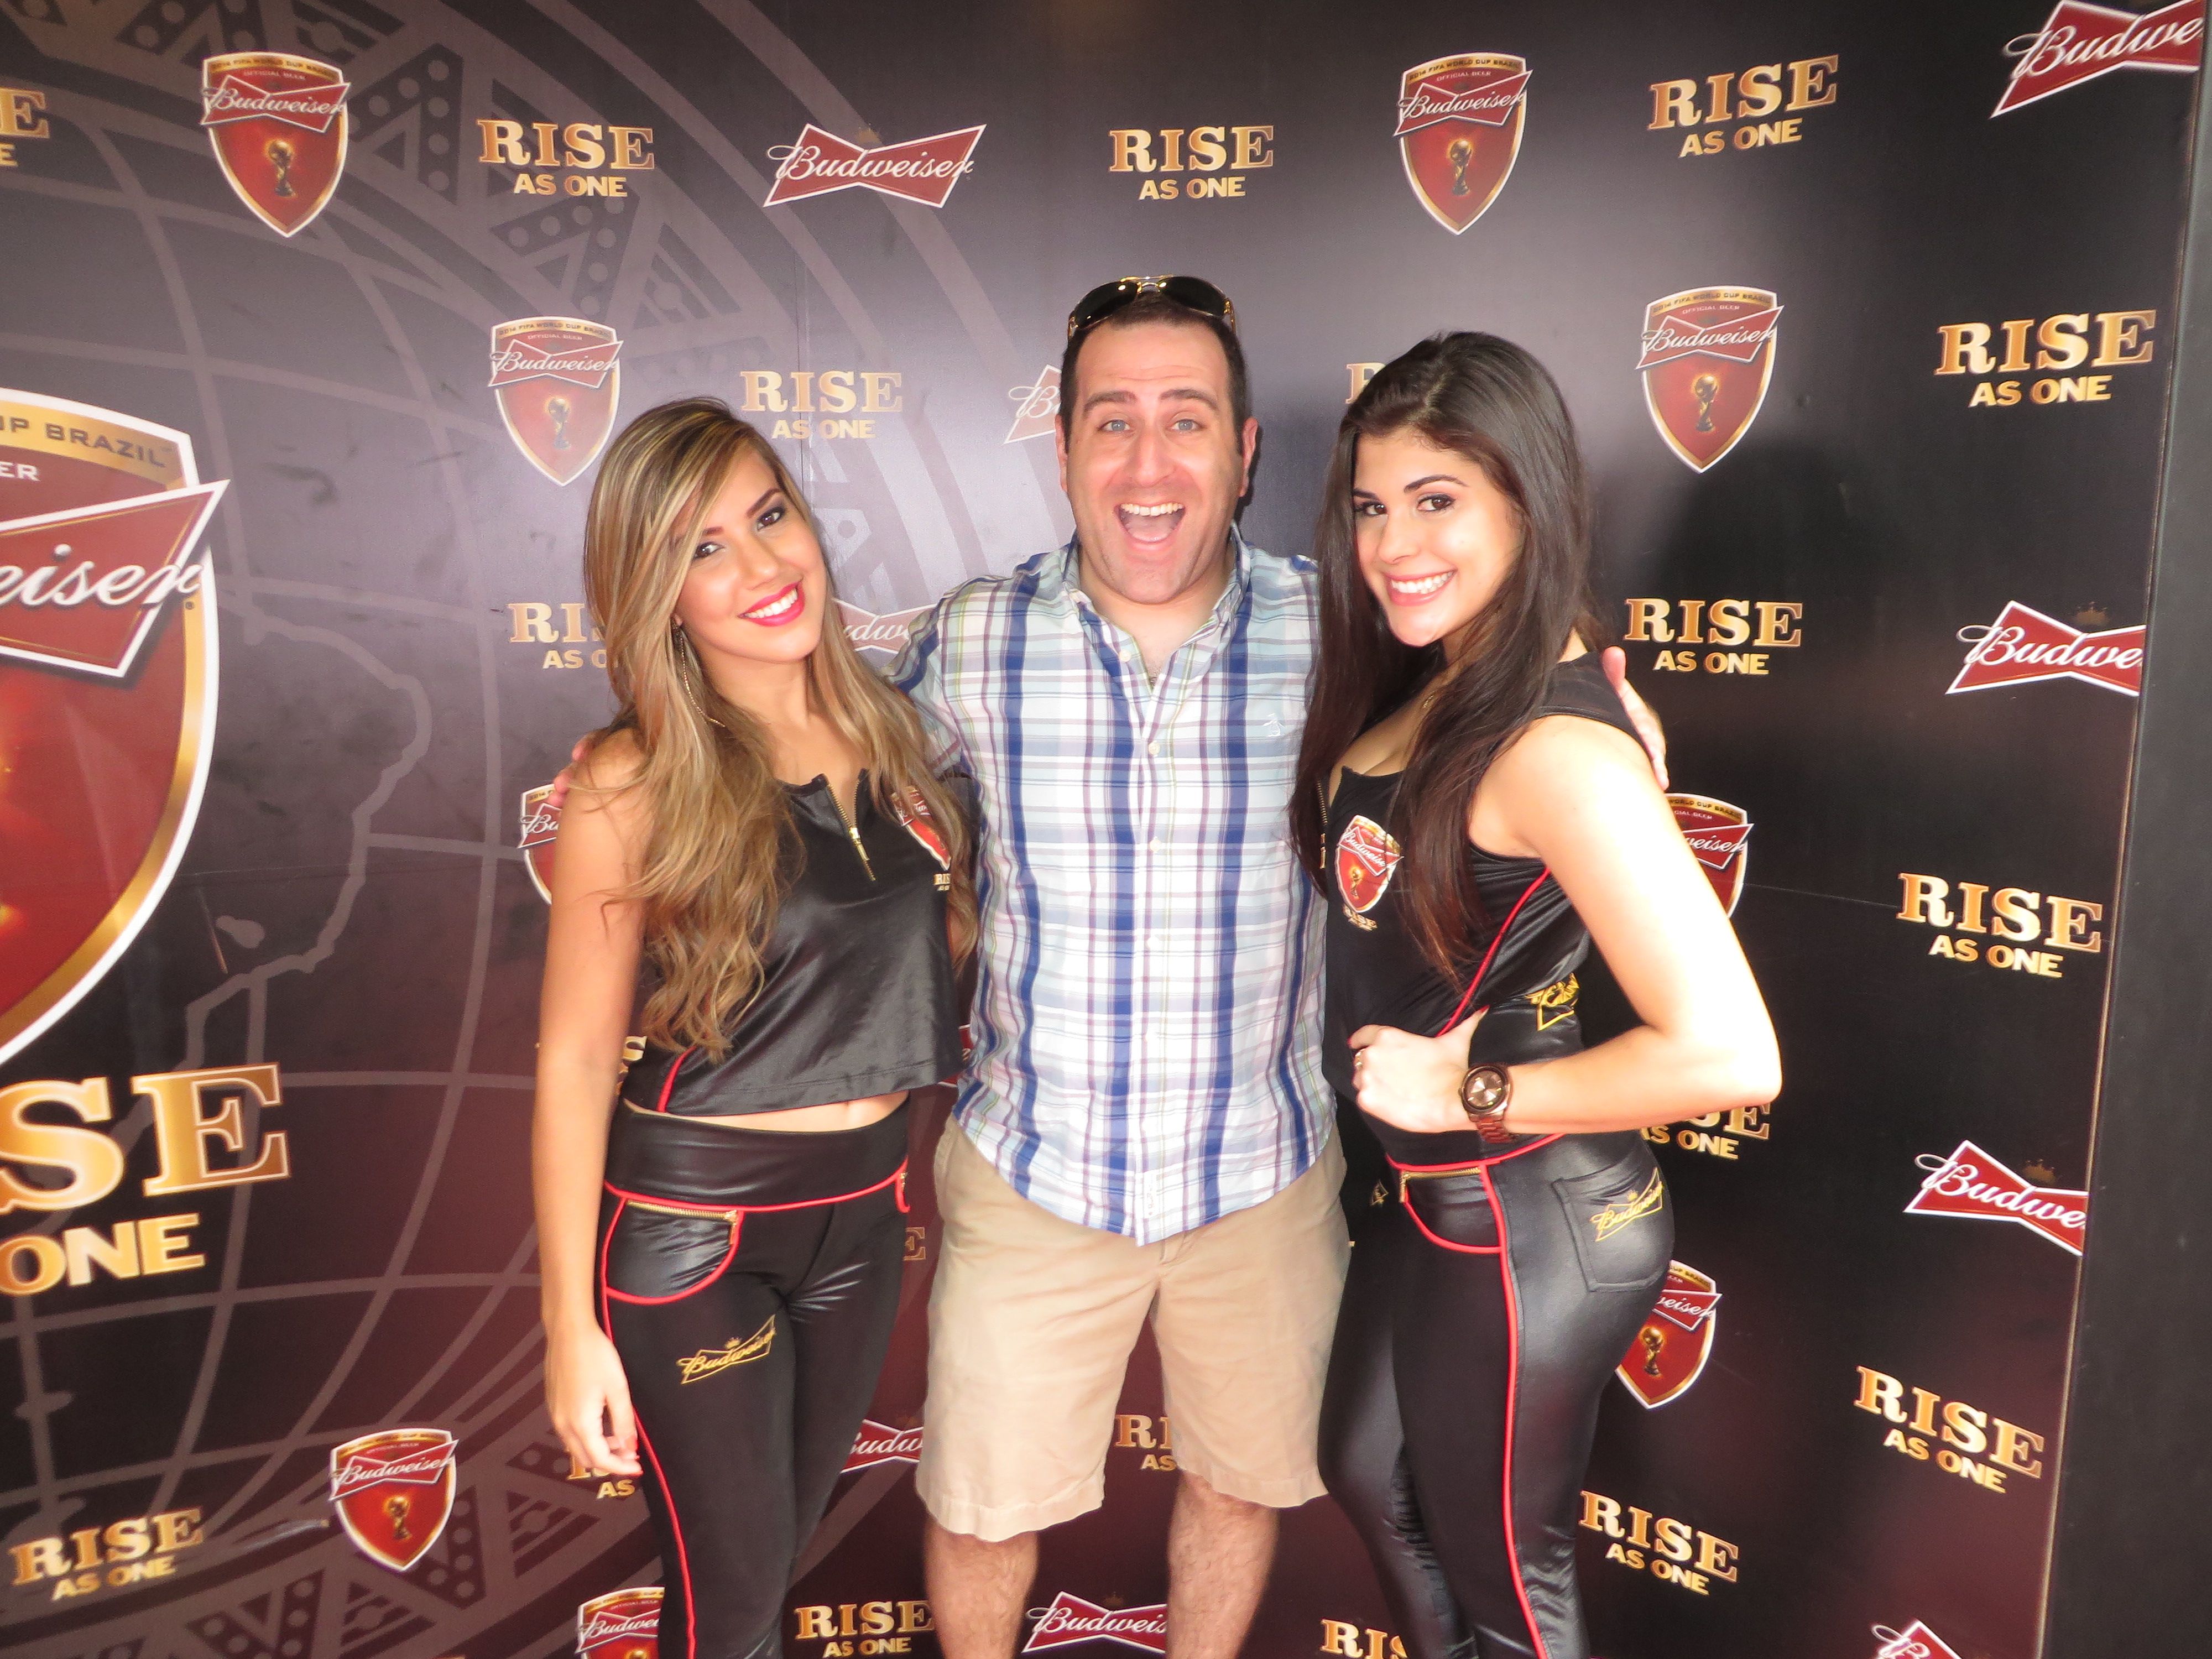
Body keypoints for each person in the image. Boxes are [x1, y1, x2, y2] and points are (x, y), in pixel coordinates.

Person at [891, 281, 1666, 1659]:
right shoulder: (967, 638)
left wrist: (1608, 716)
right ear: (1059, 449)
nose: (1147, 462)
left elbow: (1498, 708)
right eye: (1109, 421)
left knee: (1240, 1486)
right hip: (1032, 1163)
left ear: (1244, 451)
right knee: (979, 1511)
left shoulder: (1346, 635)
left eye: (1185, 420)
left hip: (1261, 1169)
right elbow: (827, 781)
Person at [1295, 333, 1781, 1659]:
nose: (1392, 544)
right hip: (1436, 1204)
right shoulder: (1463, 684)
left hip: (1531, 1215)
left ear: (1529, 501)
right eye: (1370, 506)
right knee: (1370, 1478)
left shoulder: (1556, 744)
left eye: (1435, 500)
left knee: (1512, 1581)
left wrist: (1471, 1090)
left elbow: (1729, 1054)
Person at [532, 398, 975, 1659]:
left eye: (768, 515)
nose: (762, 565)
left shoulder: (895, 736)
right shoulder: (630, 778)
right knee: (728, 1611)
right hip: (698, 1234)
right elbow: (575, 1060)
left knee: (767, 1574)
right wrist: (569, 1331)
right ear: (658, 596)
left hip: (864, 1220)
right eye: (703, 549)